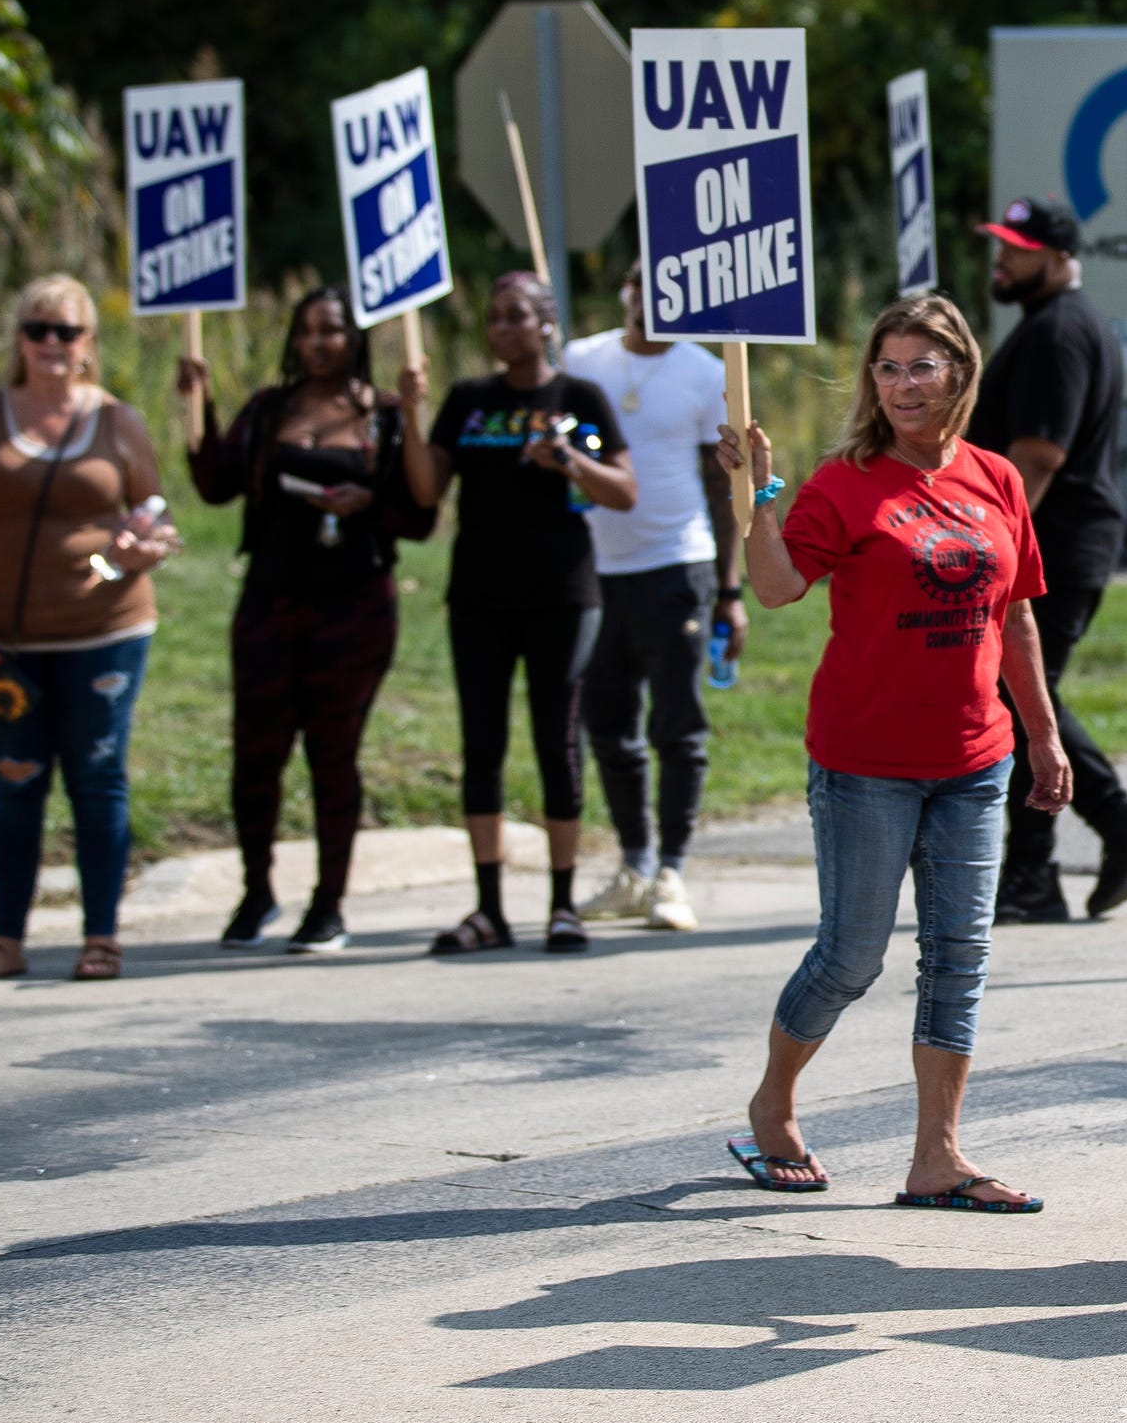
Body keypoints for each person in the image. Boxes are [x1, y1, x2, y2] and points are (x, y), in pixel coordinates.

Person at [716, 293, 1072, 1211]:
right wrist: (754, 496)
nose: (903, 384)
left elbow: (1018, 613)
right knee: (852, 956)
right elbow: (777, 587)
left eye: (922, 366)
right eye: (887, 367)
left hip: (974, 759)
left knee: (959, 956)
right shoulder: (844, 482)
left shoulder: (995, 477)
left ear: (960, 373)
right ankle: (773, 1103)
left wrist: (1041, 733)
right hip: (865, 761)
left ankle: (937, 1158)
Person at [0, 275, 181, 982]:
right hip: (0, 636)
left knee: (97, 779)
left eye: (66, 331)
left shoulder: (118, 422)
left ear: (87, 344)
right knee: (14, 780)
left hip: (104, 631)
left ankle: (102, 936)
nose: (51, 343)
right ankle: (7, 937)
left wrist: (143, 546)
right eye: (37, 329)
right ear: (19, 340)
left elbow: (153, 517)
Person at [186, 285, 438, 954]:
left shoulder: (383, 415)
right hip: (271, 605)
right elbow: (215, 483)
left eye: (331, 330)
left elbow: (420, 514)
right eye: (306, 331)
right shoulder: (271, 409)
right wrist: (197, 403)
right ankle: (256, 889)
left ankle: (328, 903)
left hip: (354, 609)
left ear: (355, 337)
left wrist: (373, 494)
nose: (318, 342)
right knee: (255, 755)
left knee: (334, 755)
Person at [413, 272, 635, 955]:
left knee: (555, 741)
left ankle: (563, 904)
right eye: (494, 317)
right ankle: (488, 909)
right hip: (478, 598)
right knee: (483, 744)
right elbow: (426, 490)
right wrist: (404, 416)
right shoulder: (469, 400)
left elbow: (623, 491)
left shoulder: (579, 398)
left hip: (562, 596)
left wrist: (568, 459)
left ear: (547, 322)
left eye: (518, 316)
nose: (503, 328)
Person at [969, 197, 1127, 923]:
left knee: (1022, 694)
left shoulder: (1059, 334)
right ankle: (1053, 863)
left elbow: (1037, 459)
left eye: (1015, 249)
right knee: (1022, 693)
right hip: (1054, 541)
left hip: (1050, 544)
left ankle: (1084, 846)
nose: (1001, 260)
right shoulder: (1052, 325)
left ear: (1056, 258)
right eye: (999, 245)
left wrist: (982, 544)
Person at [563, 261, 744, 933]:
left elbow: (723, 490)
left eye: (663, 284)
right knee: (606, 724)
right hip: (595, 568)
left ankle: (672, 870)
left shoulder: (704, 371)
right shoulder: (582, 359)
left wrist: (728, 589)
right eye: (639, 282)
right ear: (624, 290)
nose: (648, 296)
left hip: (678, 564)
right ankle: (634, 865)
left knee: (679, 723)